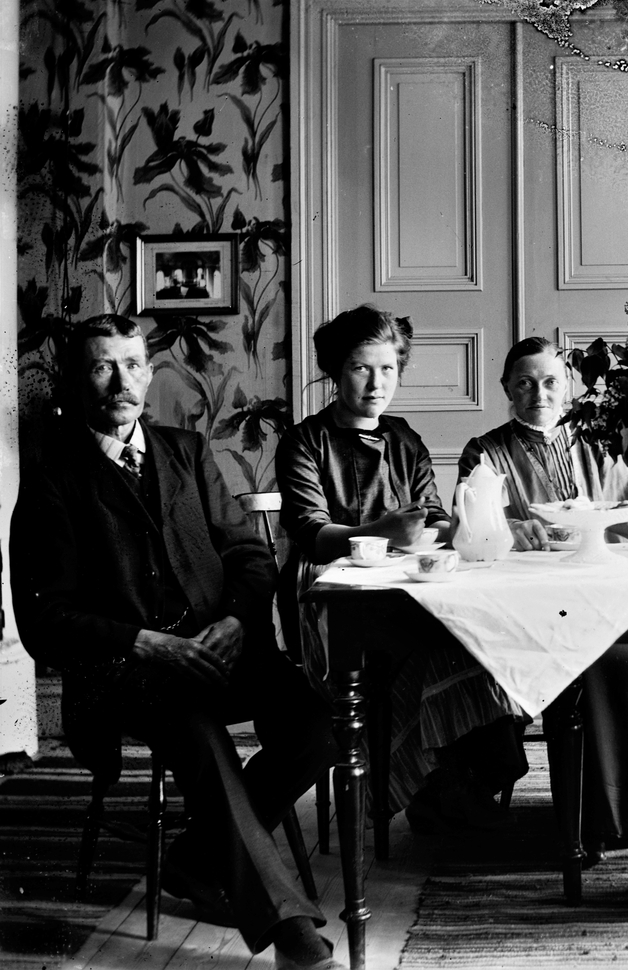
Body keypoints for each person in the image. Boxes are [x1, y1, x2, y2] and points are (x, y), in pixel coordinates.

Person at [10, 317, 343, 970]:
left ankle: (194, 860)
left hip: (218, 649)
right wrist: (145, 644)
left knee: (320, 721)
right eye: (103, 367)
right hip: (124, 671)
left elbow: (248, 554)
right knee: (197, 733)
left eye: (133, 365)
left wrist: (236, 621)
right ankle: (289, 930)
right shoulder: (54, 481)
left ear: (148, 372)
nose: (121, 382)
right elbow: (45, 620)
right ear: (78, 380)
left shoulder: (185, 452)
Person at [276, 305, 528, 834]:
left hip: (408, 585)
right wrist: (384, 534)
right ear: (334, 370)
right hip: (329, 596)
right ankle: (440, 788)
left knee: (471, 636)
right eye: (361, 368)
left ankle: (454, 782)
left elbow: (433, 516)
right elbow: (311, 533)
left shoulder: (403, 438)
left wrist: (467, 526)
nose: (375, 383)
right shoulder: (305, 440)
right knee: (433, 646)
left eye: (387, 369)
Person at [458, 337, 628, 847]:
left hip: (602, 599)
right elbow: (477, 532)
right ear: (506, 388)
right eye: (524, 383)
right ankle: (595, 816)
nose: (537, 393)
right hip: (523, 612)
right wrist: (507, 530)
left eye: (549, 382)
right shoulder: (484, 452)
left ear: (566, 387)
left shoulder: (596, 444)